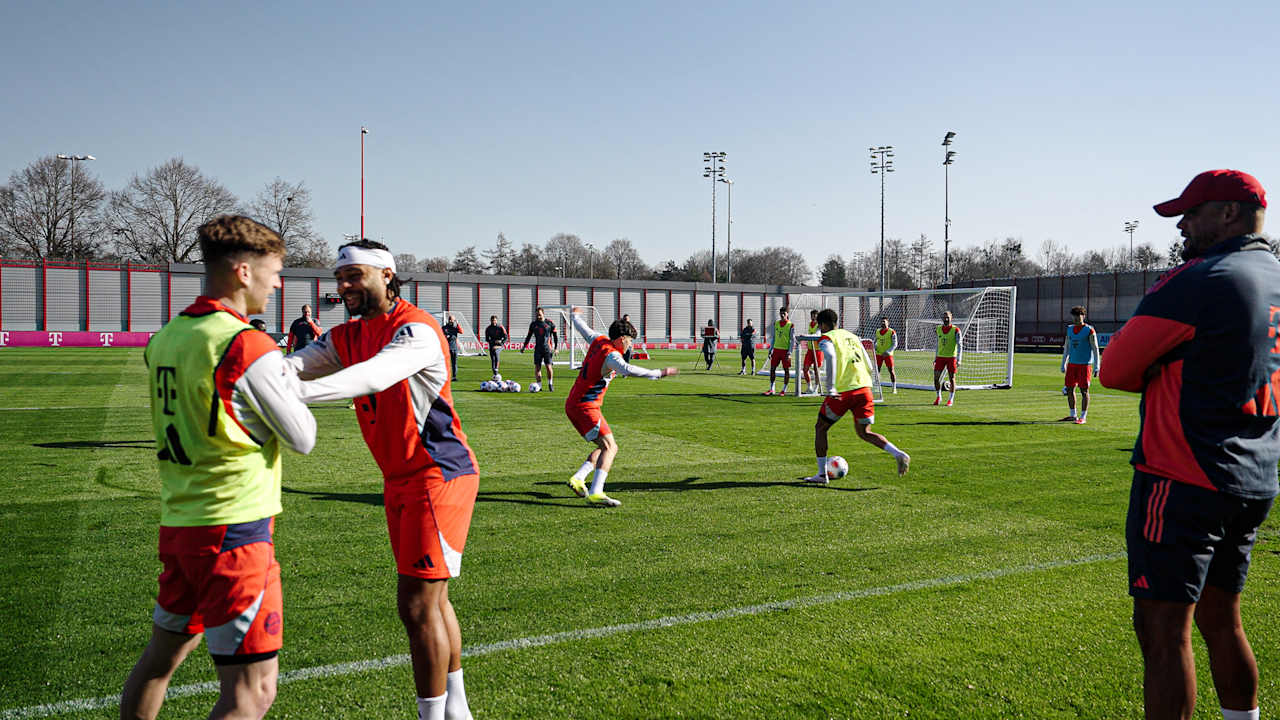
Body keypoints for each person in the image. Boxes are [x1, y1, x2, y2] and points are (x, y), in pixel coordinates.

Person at [121, 215, 317, 720]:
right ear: (244, 272)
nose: (277, 285)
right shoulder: (245, 343)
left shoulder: (166, 337)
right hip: (235, 532)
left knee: (159, 663)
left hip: (182, 522)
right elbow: (303, 437)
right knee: (251, 694)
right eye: (274, 273)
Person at [1100, 169, 1279, 720]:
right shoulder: (1274, 275)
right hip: (1254, 475)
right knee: (1222, 618)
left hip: (1183, 474)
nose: (1183, 224)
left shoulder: (1200, 278)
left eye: (1191, 212)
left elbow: (1115, 369)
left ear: (1227, 213)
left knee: (1162, 630)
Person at [286, 240, 479, 720]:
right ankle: (457, 711)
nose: (345, 285)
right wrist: (249, 374)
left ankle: (434, 716)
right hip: (401, 479)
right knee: (432, 600)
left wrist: (284, 397)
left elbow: (371, 377)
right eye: (340, 278)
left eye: (355, 275)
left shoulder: (415, 328)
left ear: (387, 275)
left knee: (416, 606)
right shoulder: (348, 334)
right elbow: (297, 365)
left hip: (437, 476)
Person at [564, 308, 678, 507]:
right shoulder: (612, 356)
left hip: (575, 403)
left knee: (604, 446)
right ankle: (596, 492)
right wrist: (658, 373)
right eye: (630, 340)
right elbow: (628, 369)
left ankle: (579, 478)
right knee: (611, 447)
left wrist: (575, 316)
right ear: (621, 338)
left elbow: (583, 329)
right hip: (585, 407)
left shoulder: (598, 340)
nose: (631, 345)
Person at [804, 308, 909, 484]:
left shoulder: (827, 337)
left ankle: (822, 475)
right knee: (864, 432)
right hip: (865, 388)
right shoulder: (852, 336)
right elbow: (868, 361)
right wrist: (871, 382)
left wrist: (830, 387)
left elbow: (829, 355)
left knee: (821, 427)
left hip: (844, 391)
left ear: (823, 325)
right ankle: (898, 453)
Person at [1060, 305, 1101, 424]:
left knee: (1084, 391)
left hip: (1085, 365)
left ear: (1083, 316)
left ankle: (1083, 417)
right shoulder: (1069, 329)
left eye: (1079, 316)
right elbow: (1066, 347)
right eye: (1075, 316)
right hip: (1072, 365)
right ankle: (1073, 414)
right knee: (1069, 389)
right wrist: (1063, 363)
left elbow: (1095, 348)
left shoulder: (1089, 330)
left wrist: (1097, 366)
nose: (1077, 318)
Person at [521, 307, 559, 391]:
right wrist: (524, 346)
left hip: (547, 349)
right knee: (537, 368)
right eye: (537, 314)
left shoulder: (549, 323)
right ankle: (539, 386)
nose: (538, 315)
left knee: (548, 367)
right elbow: (529, 336)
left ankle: (550, 384)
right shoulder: (533, 324)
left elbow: (555, 337)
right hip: (538, 349)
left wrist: (556, 348)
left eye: (539, 314)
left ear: (543, 313)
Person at [763, 307, 795, 396]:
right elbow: (774, 337)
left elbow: (792, 340)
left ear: (787, 314)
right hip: (776, 350)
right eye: (781, 313)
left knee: (786, 370)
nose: (782, 315)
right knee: (772, 369)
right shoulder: (776, 323)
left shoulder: (791, 325)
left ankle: (784, 390)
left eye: (784, 313)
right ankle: (772, 389)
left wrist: (790, 352)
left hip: (785, 351)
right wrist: (771, 349)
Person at [933, 310, 962, 406]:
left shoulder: (956, 330)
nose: (946, 319)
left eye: (947, 317)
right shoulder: (938, 329)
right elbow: (938, 344)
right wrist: (935, 358)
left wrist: (959, 359)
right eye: (944, 317)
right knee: (936, 378)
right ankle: (938, 397)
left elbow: (960, 345)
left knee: (952, 378)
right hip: (940, 357)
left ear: (951, 318)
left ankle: (951, 399)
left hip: (951, 358)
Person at [801, 309, 824, 394]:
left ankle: (816, 388)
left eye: (815, 315)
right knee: (805, 369)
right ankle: (809, 387)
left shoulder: (819, 325)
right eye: (812, 315)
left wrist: (806, 336)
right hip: (810, 350)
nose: (813, 317)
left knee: (816, 370)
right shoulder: (810, 324)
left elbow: (817, 335)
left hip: (818, 350)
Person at [873, 318, 898, 394]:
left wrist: (888, 352)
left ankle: (894, 388)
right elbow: (875, 341)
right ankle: (876, 388)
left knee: (891, 371)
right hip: (879, 354)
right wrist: (875, 347)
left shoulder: (892, 332)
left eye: (884, 321)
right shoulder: (877, 331)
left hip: (888, 354)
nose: (882, 323)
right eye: (881, 322)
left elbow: (895, 344)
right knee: (877, 371)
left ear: (888, 323)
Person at [442, 314, 461, 381]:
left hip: (454, 348)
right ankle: (445, 376)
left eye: (452, 319)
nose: (450, 320)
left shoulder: (455, 328)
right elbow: (441, 336)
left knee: (454, 363)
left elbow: (461, 331)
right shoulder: (444, 327)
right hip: (446, 348)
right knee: (445, 363)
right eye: (450, 319)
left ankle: (454, 377)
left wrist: (457, 323)